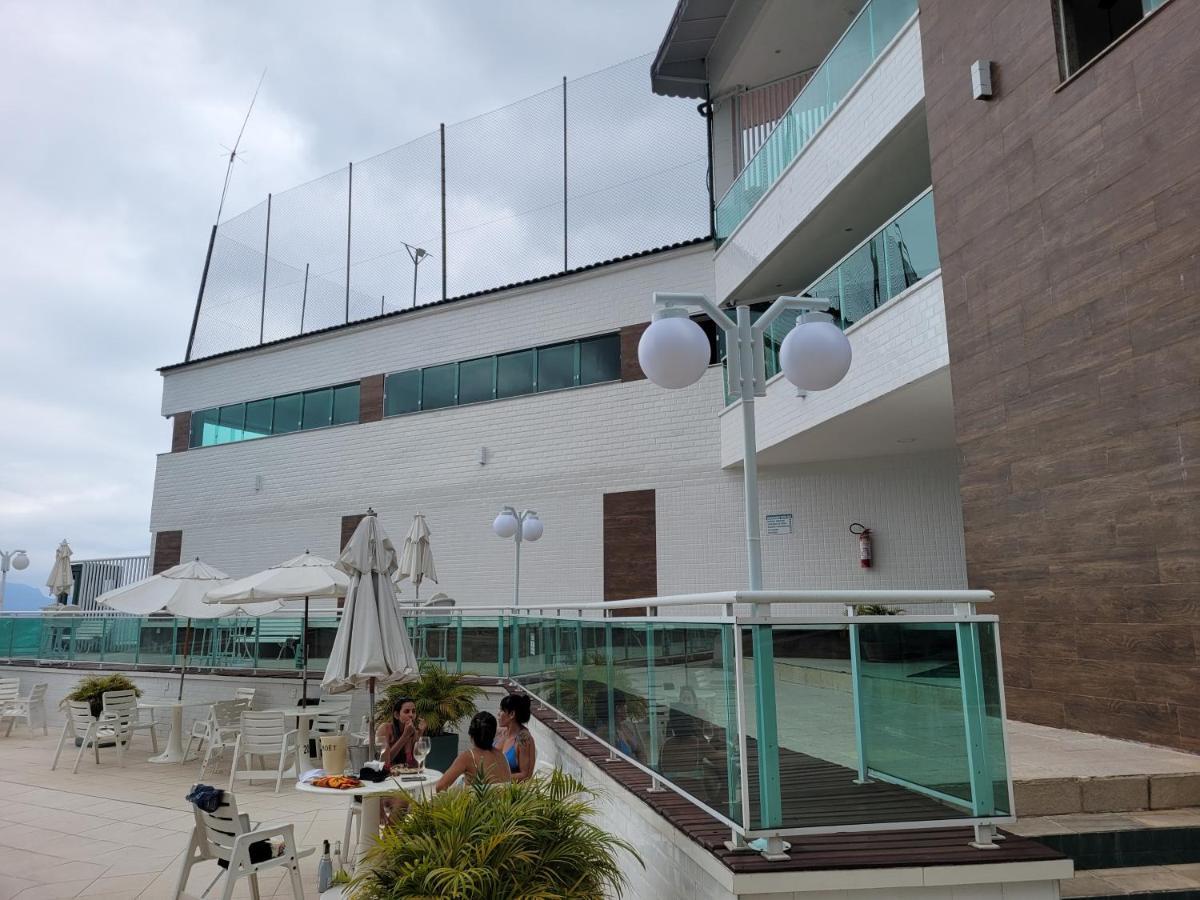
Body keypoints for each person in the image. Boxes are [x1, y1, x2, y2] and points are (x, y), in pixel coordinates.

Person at [434, 712, 512, 792]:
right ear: (493, 734)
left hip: (478, 803)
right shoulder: (501, 755)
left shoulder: (468, 757)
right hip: (502, 803)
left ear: (471, 735)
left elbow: (440, 787)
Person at [376, 696, 426, 769]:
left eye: (413, 711)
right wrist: (405, 736)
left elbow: (417, 765)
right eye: (406, 711)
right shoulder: (385, 729)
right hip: (387, 777)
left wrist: (420, 733)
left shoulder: (413, 732)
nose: (411, 715)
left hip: (406, 777)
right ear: (396, 715)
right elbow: (384, 762)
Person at [495, 693, 536, 782]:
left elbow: (525, 776)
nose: (498, 713)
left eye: (502, 710)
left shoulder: (523, 739)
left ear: (512, 714)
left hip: (510, 792)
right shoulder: (501, 733)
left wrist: (497, 779)